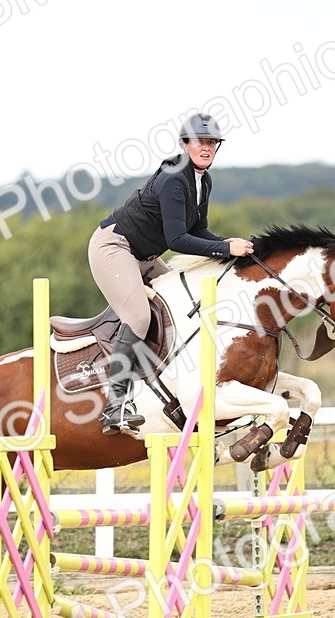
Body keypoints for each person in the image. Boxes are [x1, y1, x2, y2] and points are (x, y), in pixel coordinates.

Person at [89, 112, 255, 435]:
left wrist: (228, 244)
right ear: (185, 145)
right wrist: (224, 249)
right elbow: (178, 240)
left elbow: (199, 231)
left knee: (182, 305)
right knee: (138, 317)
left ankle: (171, 388)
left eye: (211, 143)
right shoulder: (174, 179)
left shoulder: (203, 181)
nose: (206, 148)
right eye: (200, 142)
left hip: (146, 255)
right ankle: (114, 407)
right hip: (114, 247)